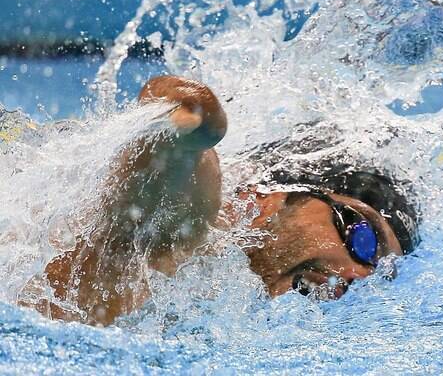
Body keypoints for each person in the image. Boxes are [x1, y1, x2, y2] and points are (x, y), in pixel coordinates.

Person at [18, 76, 420, 326]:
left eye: (383, 274)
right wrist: (193, 132)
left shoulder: (225, 309)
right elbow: (169, 201)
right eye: (365, 239)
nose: (359, 277)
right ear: (274, 196)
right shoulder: (195, 230)